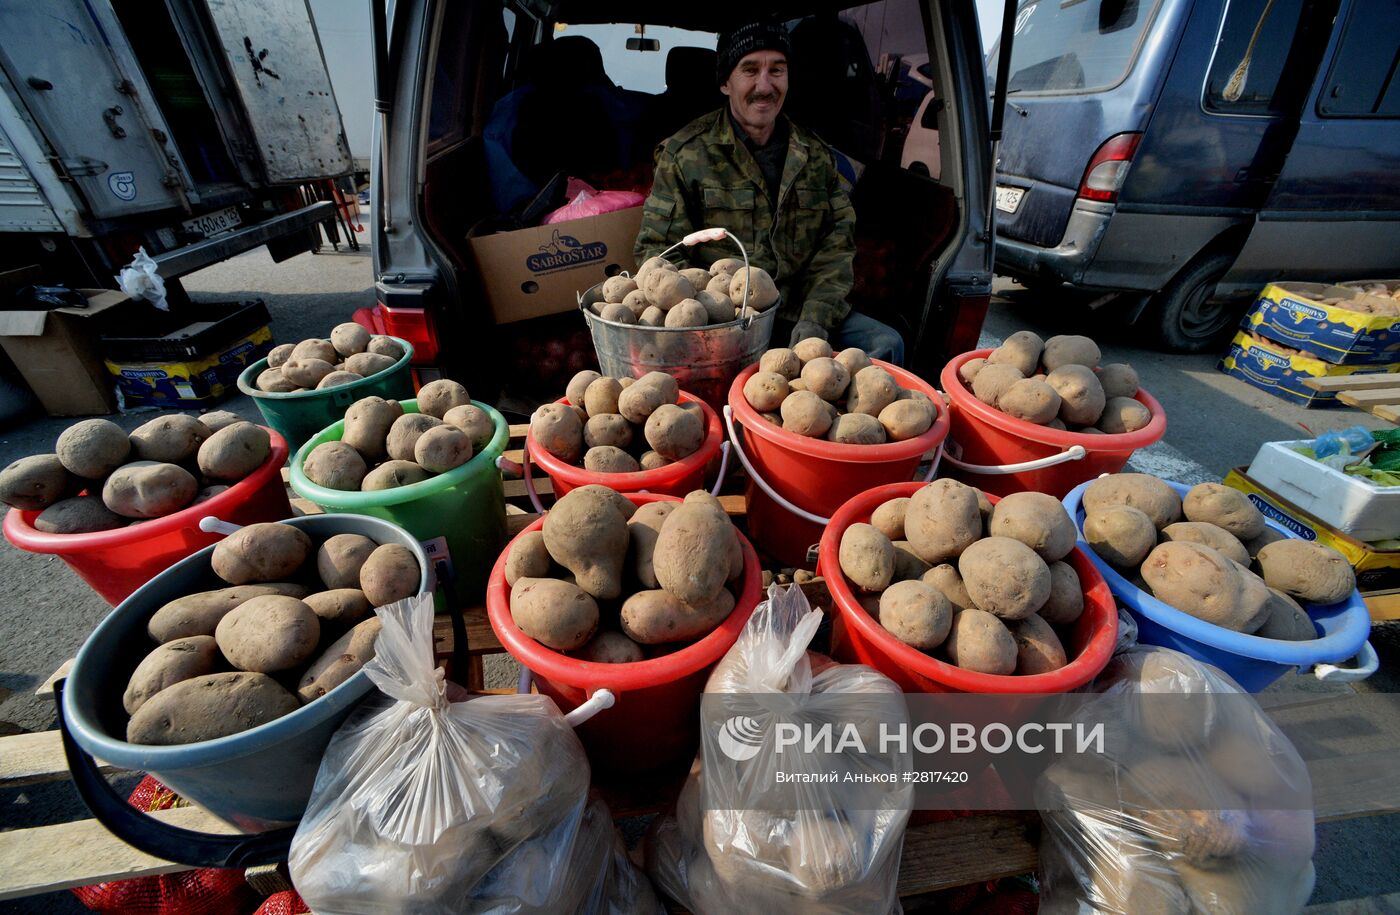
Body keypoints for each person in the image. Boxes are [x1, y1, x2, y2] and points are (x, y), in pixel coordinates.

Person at [634, 20, 905, 362]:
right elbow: (658, 250)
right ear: (725, 82)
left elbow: (836, 250)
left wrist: (816, 319)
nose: (765, 85)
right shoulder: (684, 154)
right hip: (724, 319)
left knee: (886, 343)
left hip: (798, 310)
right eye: (750, 69)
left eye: (776, 70)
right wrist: (707, 318)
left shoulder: (815, 157)